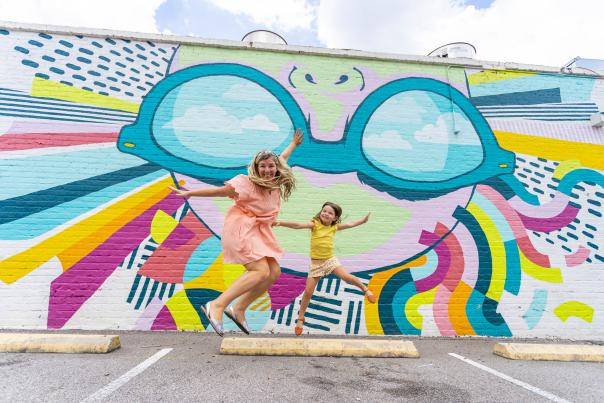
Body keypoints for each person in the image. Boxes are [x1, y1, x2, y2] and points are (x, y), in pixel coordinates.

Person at [169, 129, 303, 336]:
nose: (267, 170)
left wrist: (293, 144)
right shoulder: (246, 183)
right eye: (263, 166)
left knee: (273, 273)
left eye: (270, 166)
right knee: (259, 271)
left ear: (276, 168)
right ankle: (217, 305)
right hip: (241, 228)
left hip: (258, 231)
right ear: (256, 168)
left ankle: (238, 308)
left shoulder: (275, 181)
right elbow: (219, 191)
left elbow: (283, 158)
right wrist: (190, 192)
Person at [273, 202, 375, 336]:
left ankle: (366, 290)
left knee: (346, 277)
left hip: (329, 261)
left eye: (330, 213)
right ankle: (300, 319)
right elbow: (297, 225)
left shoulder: (334, 227)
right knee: (308, 292)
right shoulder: (314, 224)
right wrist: (279, 223)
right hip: (316, 265)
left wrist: (363, 221)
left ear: (334, 218)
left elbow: (350, 224)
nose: (326, 213)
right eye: (324, 211)